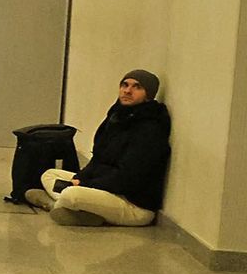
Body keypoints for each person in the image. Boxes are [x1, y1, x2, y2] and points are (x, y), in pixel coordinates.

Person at [25, 70, 170, 226]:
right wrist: (80, 177)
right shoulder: (117, 117)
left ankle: (57, 205)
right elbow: (98, 159)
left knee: (70, 193)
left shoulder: (149, 130)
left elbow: (127, 179)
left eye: (137, 87)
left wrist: (83, 185)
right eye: (125, 85)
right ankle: (75, 210)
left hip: (132, 204)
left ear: (149, 94)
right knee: (49, 174)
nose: (127, 91)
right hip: (107, 189)